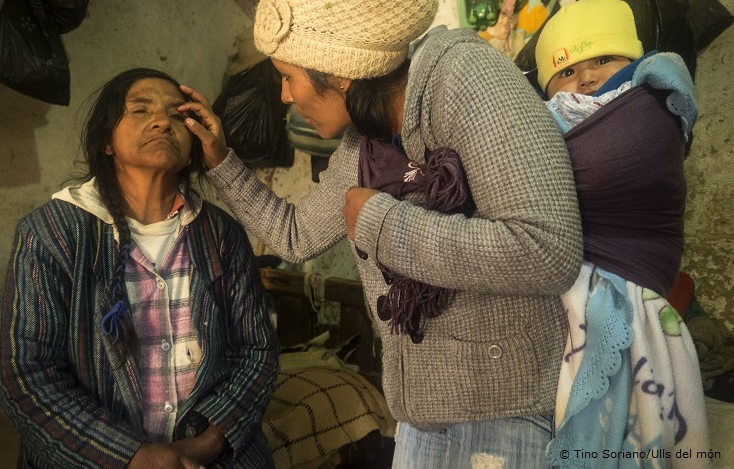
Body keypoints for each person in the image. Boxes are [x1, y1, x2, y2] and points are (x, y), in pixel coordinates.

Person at [181, 0, 583, 466]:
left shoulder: (463, 75)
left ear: (340, 73)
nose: (285, 96)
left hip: (504, 411)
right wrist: (221, 161)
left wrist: (383, 223)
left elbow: (547, 249)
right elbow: (295, 236)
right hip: (419, 415)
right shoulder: (365, 144)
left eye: (288, 76)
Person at [0, 68, 279, 469]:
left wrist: (207, 444)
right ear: (107, 141)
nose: (162, 121)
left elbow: (257, 352)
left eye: (178, 117)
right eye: (140, 110)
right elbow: (25, 375)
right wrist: (132, 457)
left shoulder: (221, 234)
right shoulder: (53, 232)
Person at [534, 0, 710, 467]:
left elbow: (630, 162)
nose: (587, 79)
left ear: (632, 60)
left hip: (631, 287)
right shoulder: (540, 124)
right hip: (566, 292)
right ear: (546, 87)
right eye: (567, 71)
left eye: (603, 60)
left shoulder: (647, 104)